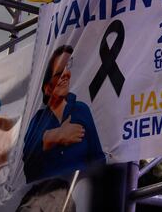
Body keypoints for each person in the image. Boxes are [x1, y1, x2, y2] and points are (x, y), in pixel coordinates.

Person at [22, 45, 105, 182]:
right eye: (59, 73)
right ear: (47, 88)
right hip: (43, 198)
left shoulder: (81, 110)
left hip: (78, 196)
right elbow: (27, 168)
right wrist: (53, 136)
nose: (66, 74)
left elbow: (98, 159)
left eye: (67, 67)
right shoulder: (37, 122)